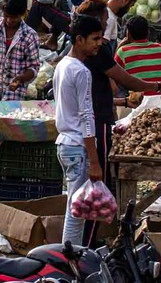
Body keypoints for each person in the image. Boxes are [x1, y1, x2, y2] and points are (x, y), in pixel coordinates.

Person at [54, 15, 105, 247]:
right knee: (77, 213)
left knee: (74, 207)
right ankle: (71, 263)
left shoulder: (63, 64)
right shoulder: (81, 71)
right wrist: (94, 161)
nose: (99, 43)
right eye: (95, 39)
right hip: (77, 146)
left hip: (65, 143)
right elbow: (86, 117)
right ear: (79, 39)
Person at [114, 17, 161, 95]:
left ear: (128, 33)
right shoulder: (160, 48)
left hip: (139, 99)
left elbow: (114, 74)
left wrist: (120, 45)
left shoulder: (123, 51)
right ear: (148, 32)